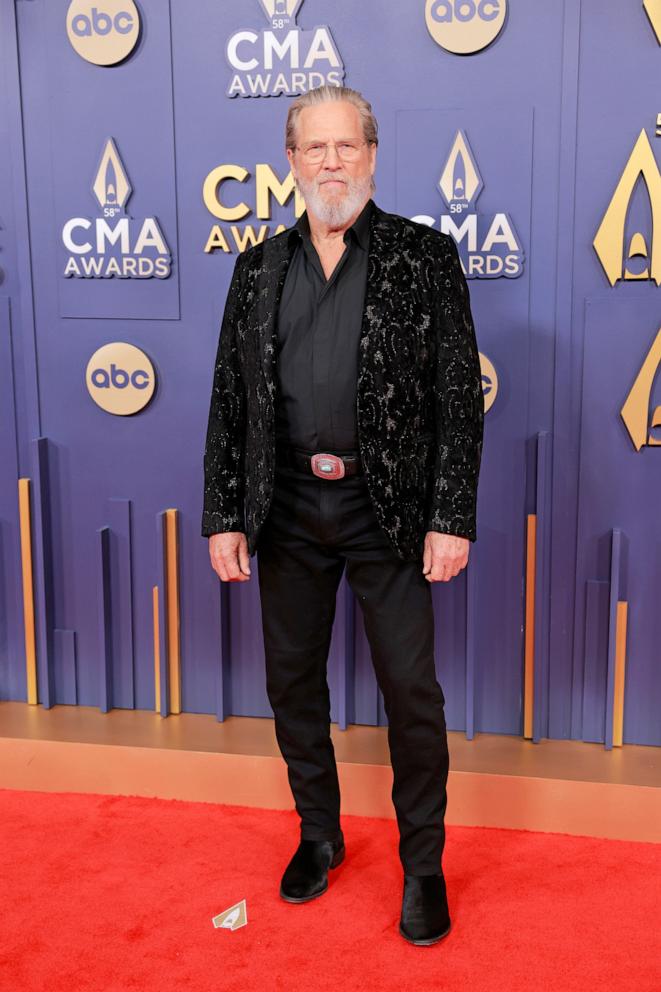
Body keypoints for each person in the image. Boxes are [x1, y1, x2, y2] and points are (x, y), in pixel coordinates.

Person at [201, 84, 484, 946]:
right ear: (290, 161)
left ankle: (422, 867)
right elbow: (229, 400)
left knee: (410, 691)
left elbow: (456, 403)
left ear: (370, 153)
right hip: (283, 505)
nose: (330, 162)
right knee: (291, 684)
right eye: (313, 148)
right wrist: (224, 513)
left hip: (385, 509)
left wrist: (451, 516)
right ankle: (317, 836)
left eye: (346, 147)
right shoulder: (255, 269)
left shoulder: (422, 257)